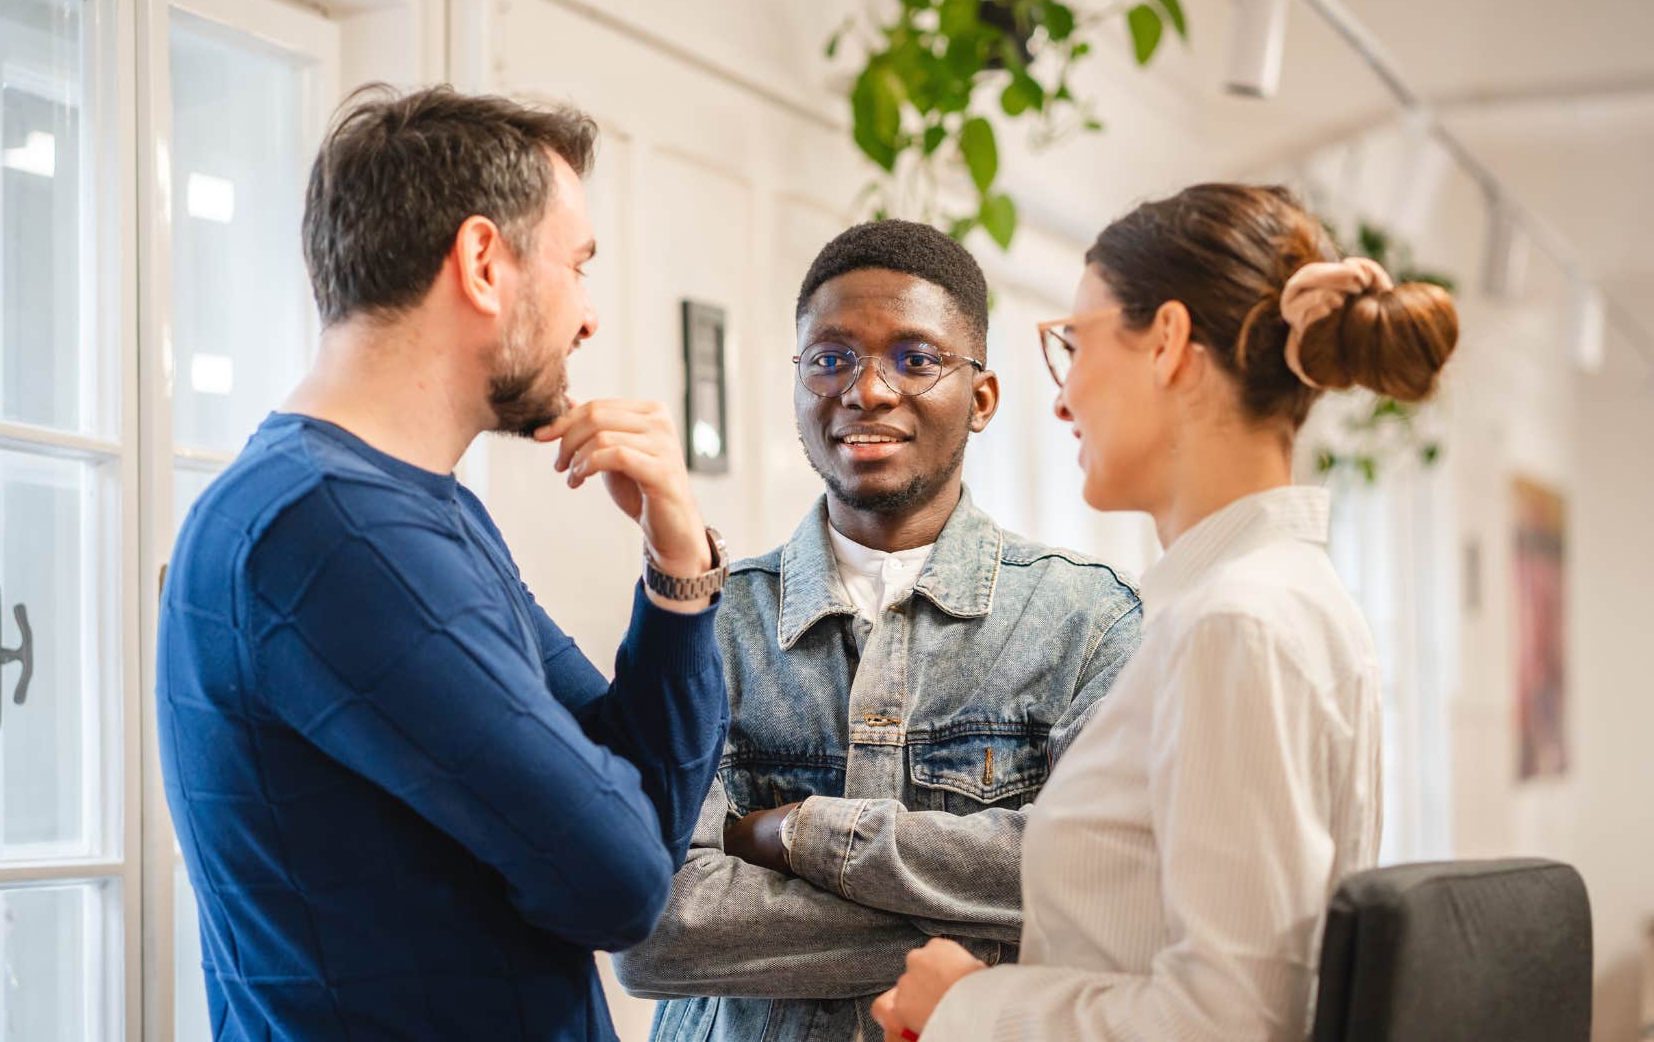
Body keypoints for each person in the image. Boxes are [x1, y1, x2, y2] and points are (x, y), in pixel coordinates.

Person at [156, 84, 733, 1040]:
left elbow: (648, 816)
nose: (588, 318)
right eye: (578, 268)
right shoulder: (331, 531)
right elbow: (624, 886)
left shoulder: (421, 511)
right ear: (480, 261)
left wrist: (678, 565)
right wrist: (616, 818)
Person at [873, 183, 1460, 1041]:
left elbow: (1232, 1022)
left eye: (1074, 342)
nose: (1063, 396)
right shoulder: (1259, 603)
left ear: (1171, 343)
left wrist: (966, 1005)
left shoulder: (1239, 622)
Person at [614, 220, 1144, 1040]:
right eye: (830, 359)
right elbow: (659, 931)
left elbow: (1108, 886)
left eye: (915, 358)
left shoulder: (1088, 624)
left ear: (983, 398)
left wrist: (793, 833)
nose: (866, 389)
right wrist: (995, 920)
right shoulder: (707, 625)